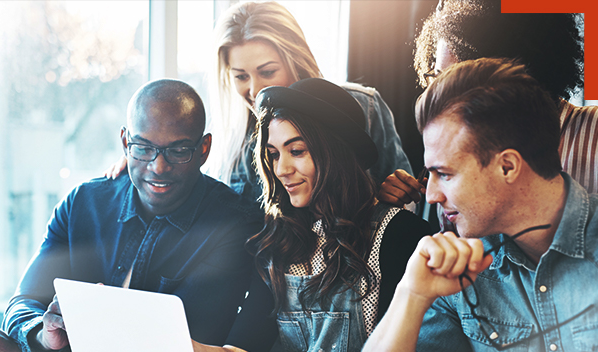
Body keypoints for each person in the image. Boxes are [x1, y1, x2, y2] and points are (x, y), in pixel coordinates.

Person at [0, 79, 264, 352]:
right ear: (124, 143)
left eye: (178, 150)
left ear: (204, 149)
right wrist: (42, 335)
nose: (158, 167)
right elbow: (23, 302)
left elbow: (175, 344)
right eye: (143, 148)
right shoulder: (84, 202)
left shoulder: (233, 224)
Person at [363, 58, 598, 351]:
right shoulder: (461, 268)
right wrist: (411, 293)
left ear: (508, 167)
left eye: (444, 174)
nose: (431, 194)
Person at [192, 78, 430, 352]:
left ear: (335, 152)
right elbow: (243, 347)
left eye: (296, 151)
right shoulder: (278, 242)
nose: (281, 169)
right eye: (273, 155)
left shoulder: (402, 236)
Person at [105, 1, 414, 206]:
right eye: (240, 76)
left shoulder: (362, 106)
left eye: (267, 72)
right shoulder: (229, 139)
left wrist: (396, 192)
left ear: (296, 60)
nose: (254, 90)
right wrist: (145, 159)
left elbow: (408, 199)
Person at [382, 0, 596, 209]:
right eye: (437, 79)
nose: (441, 98)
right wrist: (402, 210)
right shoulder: (453, 154)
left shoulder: (592, 136)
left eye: (460, 84)